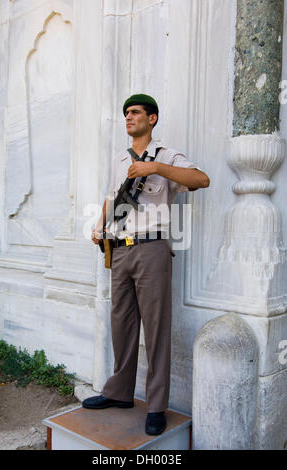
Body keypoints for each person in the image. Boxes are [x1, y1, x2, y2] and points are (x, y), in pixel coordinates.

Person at [82, 94, 210, 436]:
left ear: (152, 118)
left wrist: (153, 167)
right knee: (121, 324)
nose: (129, 117)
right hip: (120, 250)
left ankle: (156, 406)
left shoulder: (167, 156)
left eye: (135, 112)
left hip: (152, 248)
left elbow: (201, 179)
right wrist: (99, 226)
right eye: (126, 113)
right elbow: (112, 196)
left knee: (156, 329)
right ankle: (119, 393)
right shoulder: (119, 159)